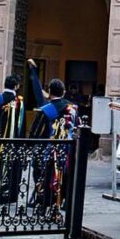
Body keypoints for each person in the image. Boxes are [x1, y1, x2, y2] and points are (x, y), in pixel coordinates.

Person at [27, 62, 78, 216]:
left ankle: (43, 203)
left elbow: (35, 133)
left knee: (43, 175)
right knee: (66, 176)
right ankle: (64, 201)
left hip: (47, 150)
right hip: (67, 150)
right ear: (63, 92)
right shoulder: (72, 108)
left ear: (49, 91)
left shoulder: (45, 111)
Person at [0, 74, 26, 203]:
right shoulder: (19, 103)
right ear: (17, 86)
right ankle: (7, 194)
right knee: (9, 165)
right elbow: (21, 125)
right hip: (12, 141)